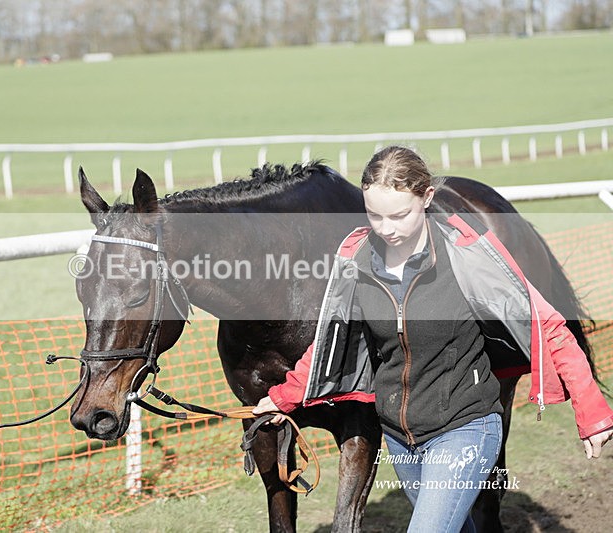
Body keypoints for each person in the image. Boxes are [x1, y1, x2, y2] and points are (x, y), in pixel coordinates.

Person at [253, 146, 613, 532]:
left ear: (426, 199)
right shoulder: (355, 261)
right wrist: (281, 398)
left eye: (399, 215)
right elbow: (331, 342)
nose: (386, 227)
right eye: (374, 214)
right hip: (401, 439)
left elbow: (549, 326)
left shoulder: (466, 256)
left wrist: (592, 413)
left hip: (467, 426)